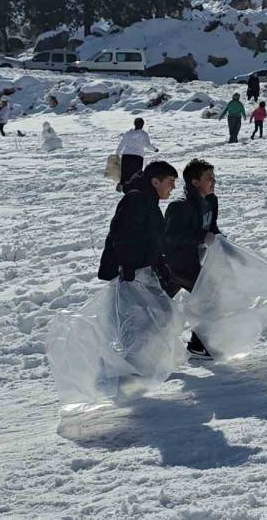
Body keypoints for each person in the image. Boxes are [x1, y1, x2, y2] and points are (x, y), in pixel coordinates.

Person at [163, 159, 222, 359]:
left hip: (193, 262)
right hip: (174, 264)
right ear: (195, 182)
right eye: (209, 178)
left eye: (213, 177)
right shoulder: (180, 206)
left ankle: (197, 345)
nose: (214, 181)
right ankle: (198, 346)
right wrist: (202, 237)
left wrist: (222, 242)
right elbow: (171, 236)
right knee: (209, 295)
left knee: (155, 303)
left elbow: (211, 228)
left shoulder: (211, 201)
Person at [98, 161, 178, 285]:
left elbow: (152, 239)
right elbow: (121, 233)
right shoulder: (136, 199)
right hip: (127, 275)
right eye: (170, 182)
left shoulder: (149, 202)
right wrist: (127, 265)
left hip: (140, 273)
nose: (173, 187)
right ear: (155, 182)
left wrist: (160, 263)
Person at [116, 117, 159, 192]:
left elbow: (122, 143)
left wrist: (117, 153)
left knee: (125, 174)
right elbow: (147, 145)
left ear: (134, 124)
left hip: (126, 155)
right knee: (136, 174)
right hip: (137, 156)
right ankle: (134, 190)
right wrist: (155, 149)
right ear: (142, 125)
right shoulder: (144, 134)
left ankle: (122, 187)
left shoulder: (128, 133)